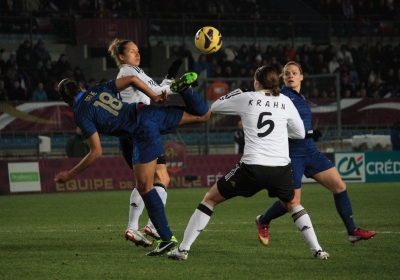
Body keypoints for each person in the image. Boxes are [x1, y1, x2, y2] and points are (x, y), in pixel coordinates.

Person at [167, 66, 329, 261]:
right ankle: (318, 250)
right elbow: (300, 133)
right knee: (294, 204)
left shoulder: (247, 98)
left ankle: (183, 250)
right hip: (280, 169)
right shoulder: (286, 101)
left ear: (257, 82)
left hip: (252, 167)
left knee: (210, 199)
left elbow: (215, 107)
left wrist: (236, 93)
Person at [54, 72, 211, 257]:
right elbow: (132, 79)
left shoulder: (80, 113)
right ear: (79, 87)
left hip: (141, 130)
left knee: (145, 186)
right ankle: (185, 90)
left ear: (65, 100)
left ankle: (167, 238)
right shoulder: (97, 88)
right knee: (203, 116)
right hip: (146, 111)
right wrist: (153, 96)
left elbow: (96, 152)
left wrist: (70, 174)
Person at [257, 61, 376, 245]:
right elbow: (279, 125)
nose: (290, 76)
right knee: (292, 202)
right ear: (282, 77)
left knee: (339, 186)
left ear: (301, 76)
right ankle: (263, 220)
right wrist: (310, 133)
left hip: (311, 152)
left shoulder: (300, 97)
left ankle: (352, 231)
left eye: (294, 73)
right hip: (293, 155)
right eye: (287, 73)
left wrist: (309, 135)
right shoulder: (281, 97)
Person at [108, 38, 184, 248]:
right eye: (132, 51)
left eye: (138, 50)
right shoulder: (128, 72)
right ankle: (135, 227)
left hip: (143, 130)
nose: (137, 54)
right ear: (122, 57)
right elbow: (160, 94)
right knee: (147, 182)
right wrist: (181, 86)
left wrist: (169, 78)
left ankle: (149, 225)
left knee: (162, 178)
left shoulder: (136, 73)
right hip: (136, 131)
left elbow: (156, 90)